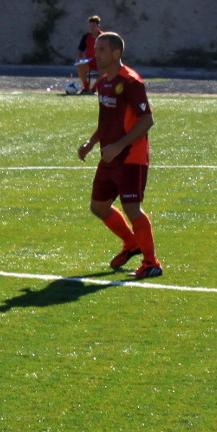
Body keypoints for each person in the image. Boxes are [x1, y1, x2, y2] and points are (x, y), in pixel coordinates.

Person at [77, 31, 163, 279]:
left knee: (132, 208)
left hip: (131, 156)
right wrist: (91, 142)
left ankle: (152, 262)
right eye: (95, 49)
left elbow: (147, 120)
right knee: (99, 206)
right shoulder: (104, 81)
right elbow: (106, 120)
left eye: (101, 49)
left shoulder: (131, 82)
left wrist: (119, 145)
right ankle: (132, 243)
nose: (96, 53)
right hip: (109, 156)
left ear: (116, 53)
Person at [76, 15, 102, 94]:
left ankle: (94, 88)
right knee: (80, 66)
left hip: (100, 61)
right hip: (89, 61)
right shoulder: (86, 37)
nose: (92, 28)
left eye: (94, 26)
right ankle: (86, 88)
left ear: (98, 26)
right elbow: (80, 50)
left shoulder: (103, 37)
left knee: (105, 69)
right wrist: (80, 59)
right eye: (90, 26)